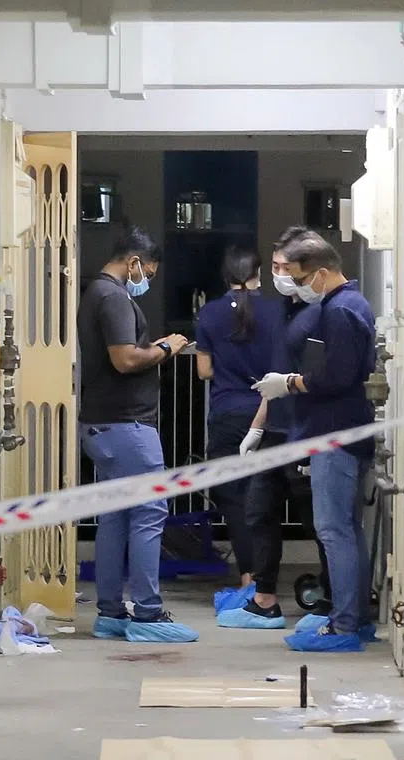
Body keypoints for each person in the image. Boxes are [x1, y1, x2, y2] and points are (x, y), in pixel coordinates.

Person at [253, 229, 377, 653]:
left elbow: (336, 375)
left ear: (321, 272)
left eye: (300, 277)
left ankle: (343, 626)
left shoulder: (339, 310)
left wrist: (291, 382)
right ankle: (355, 619)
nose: (296, 285)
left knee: (333, 529)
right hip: (343, 429)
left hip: (334, 433)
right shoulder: (349, 304)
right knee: (346, 529)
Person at [77, 225, 198, 644]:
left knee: (115, 516)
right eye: (148, 271)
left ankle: (110, 613)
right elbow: (125, 359)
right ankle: (147, 612)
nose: (147, 278)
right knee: (149, 513)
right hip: (127, 424)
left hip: (103, 423)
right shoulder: (113, 297)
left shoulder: (97, 293)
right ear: (133, 262)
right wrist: (165, 348)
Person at [214, 229, 330, 630]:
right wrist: (257, 427)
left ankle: (331, 603)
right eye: (275, 267)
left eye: (286, 267)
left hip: (306, 433)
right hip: (276, 430)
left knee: (318, 522)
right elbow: (273, 379)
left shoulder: (323, 313)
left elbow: (320, 379)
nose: (280, 275)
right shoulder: (283, 312)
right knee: (258, 511)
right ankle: (264, 600)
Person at [193, 247, 279, 594]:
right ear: (259, 274)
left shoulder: (210, 313)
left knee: (235, 501)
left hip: (228, 413)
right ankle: (266, 586)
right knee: (267, 500)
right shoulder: (277, 311)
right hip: (270, 413)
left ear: (225, 276)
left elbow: (204, 371)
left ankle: (248, 579)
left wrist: (231, 371)